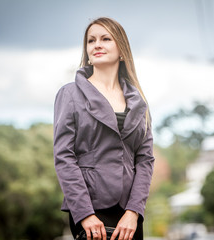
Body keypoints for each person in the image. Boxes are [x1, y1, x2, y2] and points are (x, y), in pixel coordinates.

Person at [53, 17, 155, 240]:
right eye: (91, 40)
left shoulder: (139, 102)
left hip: (129, 214)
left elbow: (145, 160)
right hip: (90, 210)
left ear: (121, 49)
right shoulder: (70, 94)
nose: (96, 45)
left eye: (105, 39)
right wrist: (84, 214)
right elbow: (64, 156)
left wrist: (134, 212)